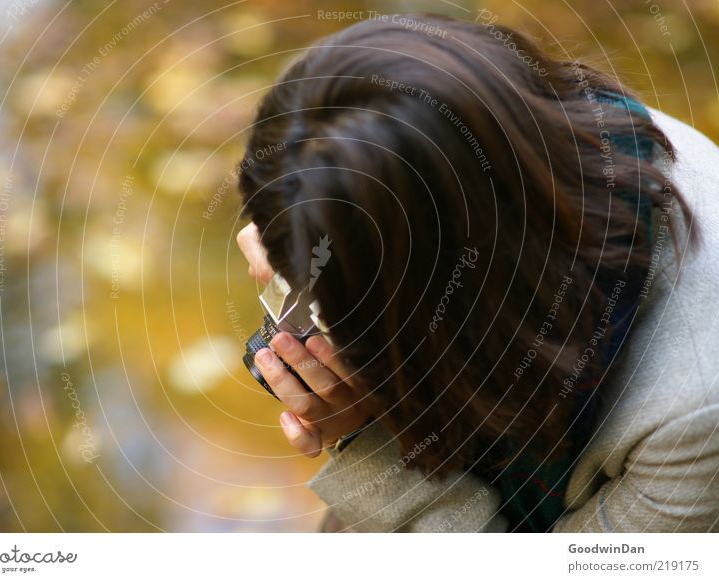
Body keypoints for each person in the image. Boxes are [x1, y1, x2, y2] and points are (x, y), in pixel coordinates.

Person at [235, 14, 719, 532]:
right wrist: (308, 222)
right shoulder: (526, 137)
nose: (303, 296)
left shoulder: (692, 416)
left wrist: (372, 442)